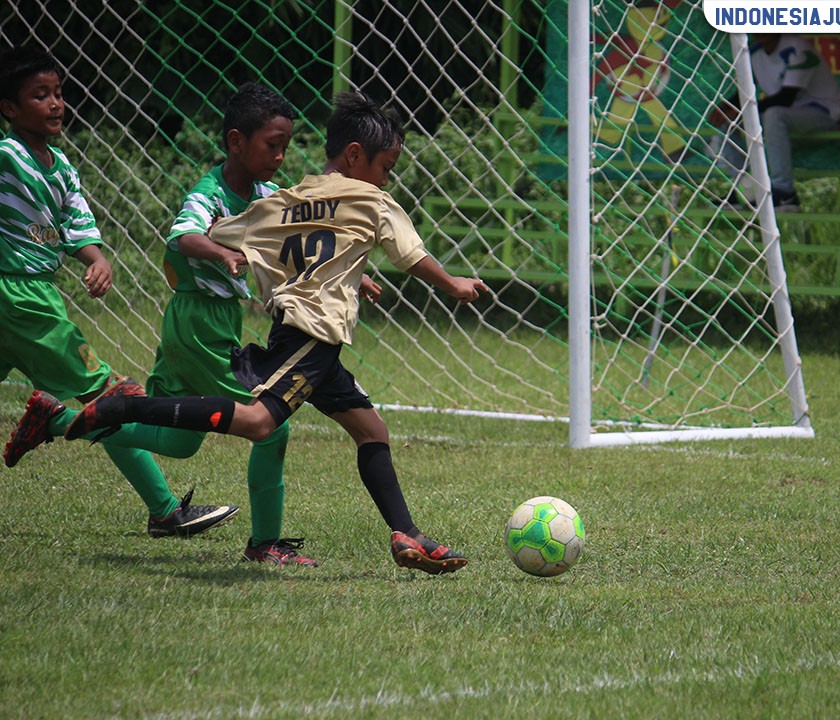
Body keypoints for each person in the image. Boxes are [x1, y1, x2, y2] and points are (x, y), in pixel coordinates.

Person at [67, 91, 490, 574]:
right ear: (356, 155)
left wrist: (350, 272)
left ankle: (406, 534)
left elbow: (224, 234)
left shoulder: (287, 200)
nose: (386, 178)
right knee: (259, 423)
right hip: (312, 335)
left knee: (371, 429)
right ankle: (124, 407)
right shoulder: (373, 200)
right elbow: (410, 255)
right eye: (386, 167)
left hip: (308, 337)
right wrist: (453, 283)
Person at [0, 45, 238, 537]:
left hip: (34, 293)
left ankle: (160, 508)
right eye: (39, 95)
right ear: (9, 108)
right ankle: (165, 511)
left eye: (58, 94)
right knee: (109, 396)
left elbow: (77, 226)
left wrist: (98, 259)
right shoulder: (6, 157)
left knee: (108, 407)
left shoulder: (62, 167)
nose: (54, 104)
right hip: (20, 299)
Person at [89, 82, 312, 564]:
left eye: (285, 147)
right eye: (271, 145)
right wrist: (223, 252)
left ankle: (69, 421)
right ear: (236, 142)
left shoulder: (268, 194)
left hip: (204, 323)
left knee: (177, 440)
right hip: (199, 323)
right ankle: (265, 544)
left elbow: (298, 236)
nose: (279, 156)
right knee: (271, 424)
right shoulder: (208, 192)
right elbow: (185, 236)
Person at [710, 34, 840, 213]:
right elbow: (744, 92)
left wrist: (742, 109)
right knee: (729, 121)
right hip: (783, 119)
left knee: (774, 114)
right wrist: (725, 108)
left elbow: (786, 97)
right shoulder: (755, 53)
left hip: (822, 115)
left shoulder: (798, 48)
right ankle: (746, 189)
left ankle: (784, 192)